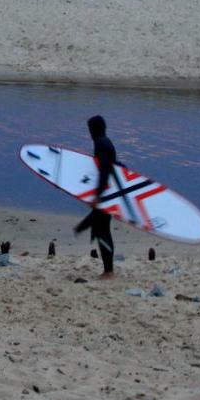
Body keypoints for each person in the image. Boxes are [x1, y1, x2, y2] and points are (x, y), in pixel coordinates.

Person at [74, 115, 118, 278]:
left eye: (90, 129)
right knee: (100, 226)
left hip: (106, 192)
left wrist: (98, 196)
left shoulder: (101, 144)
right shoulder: (105, 141)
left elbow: (105, 171)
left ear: (93, 130)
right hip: (109, 190)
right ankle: (80, 228)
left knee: (102, 230)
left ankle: (108, 271)